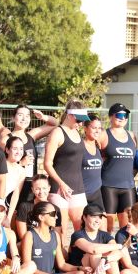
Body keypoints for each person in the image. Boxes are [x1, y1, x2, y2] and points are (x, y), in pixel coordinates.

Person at [21, 202, 89, 274]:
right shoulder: (30, 235)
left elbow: (62, 264)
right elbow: (27, 267)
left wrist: (79, 268)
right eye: (53, 214)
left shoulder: (55, 235)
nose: (56, 217)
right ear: (41, 217)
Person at [67, 204, 132, 274]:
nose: (98, 220)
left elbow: (118, 253)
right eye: (93, 216)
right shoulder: (77, 235)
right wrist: (119, 246)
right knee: (95, 254)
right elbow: (93, 249)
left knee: (110, 256)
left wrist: (105, 259)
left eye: (100, 217)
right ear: (84, 217)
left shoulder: (105, 235)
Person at [44, 100, 89, 233]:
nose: (81, 124)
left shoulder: (77, 133)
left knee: (82, 227)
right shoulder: (57, 133)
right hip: (59, 188)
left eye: (82, 121)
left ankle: (76, 254)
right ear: (69, 115)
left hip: (77, 187)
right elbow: (47, 164)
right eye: (78, 120)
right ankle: (60, 254)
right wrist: (61, 184)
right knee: (61, 230)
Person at [0, 105, 59, 203]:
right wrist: (20, 164)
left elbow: (54, 124)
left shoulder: (31, 135)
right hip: (13, 184)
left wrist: (43, 117)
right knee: (13, 214)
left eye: (27, 116)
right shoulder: (5, 140)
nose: (24, 118)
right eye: (20, 115)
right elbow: (0, 165)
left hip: (31, 184)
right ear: (13, 118)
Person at [98, 103, 138, 234]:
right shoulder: (104, 134)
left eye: (125, 115)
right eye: (119, 115)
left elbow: (134, 161)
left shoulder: (132, 135)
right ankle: (107, 252)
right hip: (109, 186)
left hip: (128, 187)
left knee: (128, 227)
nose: (123, 118)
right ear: (111, 117)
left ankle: (124, 254)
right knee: (107, 227)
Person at [14, 174, 62, 241]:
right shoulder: (24, 207)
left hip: (47, 244)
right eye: (37, 189)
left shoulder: (55, 209)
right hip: (29, 244)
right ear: (32, 190)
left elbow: (57, 237)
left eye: (44, 188)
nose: (41, 192)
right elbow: (23, 237)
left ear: (49, 188)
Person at [81, 114, 104, 214]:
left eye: (99, 128)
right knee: (81, 226)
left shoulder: (98, 147)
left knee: (103, 225)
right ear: (85, 128)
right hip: (82, 194)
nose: (97, 131)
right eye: (94, 127)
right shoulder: (79, 146)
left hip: (96, 193)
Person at [3, 136, 26, 225]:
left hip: (3, 208)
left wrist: (8, 217)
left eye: (21, 149)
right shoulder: (1, 165)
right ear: (7, 150)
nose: (18, 152)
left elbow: (15, 196)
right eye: (15, 148)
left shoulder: (21, 170)